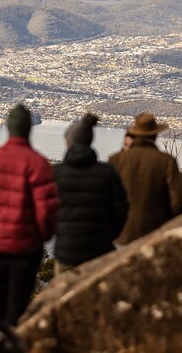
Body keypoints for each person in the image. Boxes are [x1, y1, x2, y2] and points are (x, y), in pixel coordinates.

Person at [0, 104, 59, 326]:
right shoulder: (37, 164)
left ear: (8, 127)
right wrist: (40, 238)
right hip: (27, 246)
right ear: (28, 129)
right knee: (19, 302)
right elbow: (47, 211)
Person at [53, 113, 128, 274]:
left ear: (69, 143)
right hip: (100, 250)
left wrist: (60, 233)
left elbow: (45, 212)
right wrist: (109, 236)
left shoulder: (56, 173)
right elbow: (121, 211)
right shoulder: (108, 173)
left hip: (66, 250)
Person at [109, 112, 182, 245]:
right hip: (154, 236)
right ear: (155, 135)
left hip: (120, 234)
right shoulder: (166, 161)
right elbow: (178, 202)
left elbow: (106, 197)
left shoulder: (116, 159)